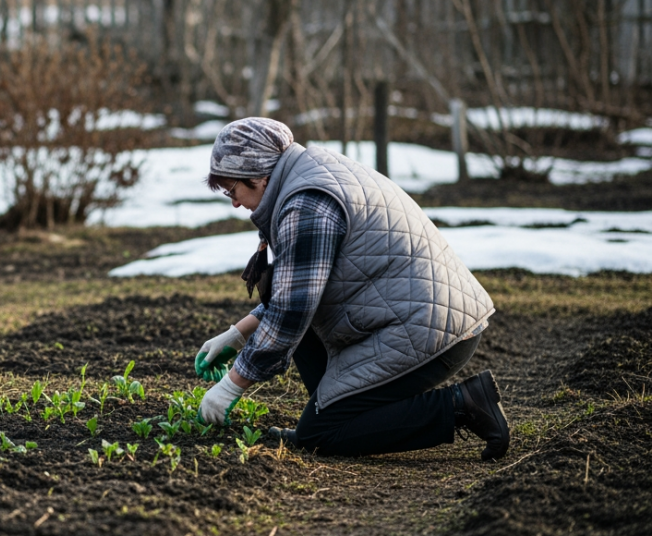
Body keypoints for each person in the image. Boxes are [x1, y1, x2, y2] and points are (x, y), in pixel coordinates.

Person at [195, 118, 510, 460]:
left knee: (323, 436)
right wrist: (238, 335)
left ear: (257, 177)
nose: (235, 204)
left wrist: (232, 386)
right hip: (416, 316)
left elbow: (292, 310)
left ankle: (464, 404)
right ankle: (333, 418)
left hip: (432, 332)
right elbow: (298, 286)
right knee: (320, 414)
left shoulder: (307, 204)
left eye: (232, 191)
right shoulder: (310, 172)